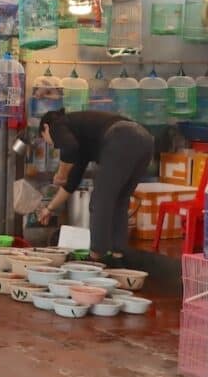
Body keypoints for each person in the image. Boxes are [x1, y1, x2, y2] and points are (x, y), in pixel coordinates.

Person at [36, 109, 154, 264]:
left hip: (122, 137)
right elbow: (71, 184)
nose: (51, 144)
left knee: (100, 201)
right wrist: (49, 208)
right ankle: (118, 256)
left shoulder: (57, 124)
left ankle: (96, 257)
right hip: (145, 140)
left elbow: (69, 147)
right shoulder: (81, 139)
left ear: (45, 127)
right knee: (119, 200)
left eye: (45, 139)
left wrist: (61, 173)